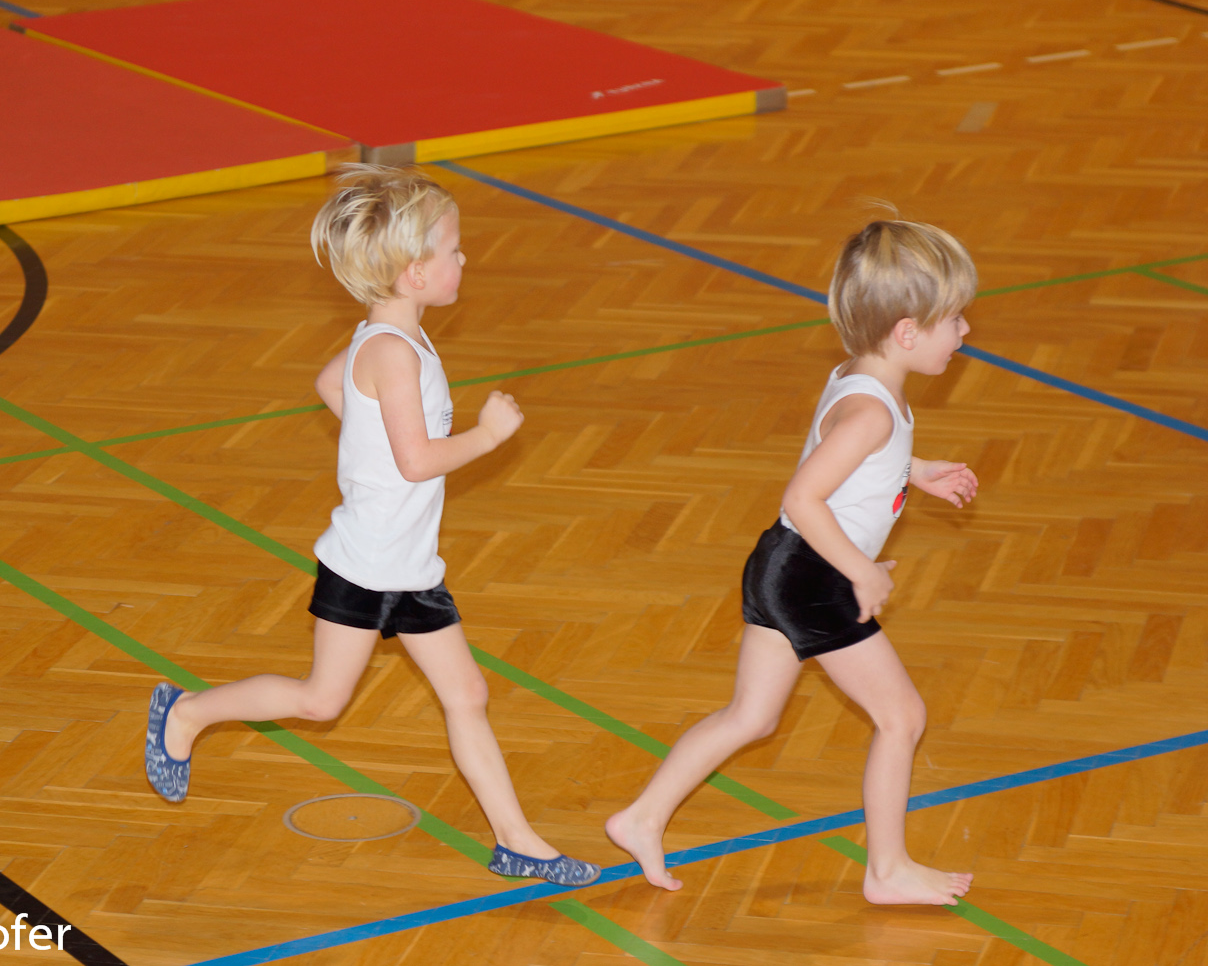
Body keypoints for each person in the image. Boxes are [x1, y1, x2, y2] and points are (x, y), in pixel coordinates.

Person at [145, 164, 599, 887]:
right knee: (319, 700)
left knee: (467, 695)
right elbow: (417, 461)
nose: (464, 259)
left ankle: (518, 841)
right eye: (453, 249)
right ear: (416, 273)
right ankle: (188, 712)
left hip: (411, 569)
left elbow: (332, 385)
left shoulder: (388, 338)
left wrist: (368, 443)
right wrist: (488, 435)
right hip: (363, 567)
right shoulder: (392, 351)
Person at [606, 219, 979, 905]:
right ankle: (887, 870)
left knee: (750, 717)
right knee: (902, 716)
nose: (964, 331)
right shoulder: (871, 411)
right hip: (813, 577)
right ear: (906, 332)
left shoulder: (858, 377)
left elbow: (851, 463)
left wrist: (915, 470)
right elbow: (804, 496)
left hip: (781, 565)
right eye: (954, 319)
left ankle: (642, 817)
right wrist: (862, 571)